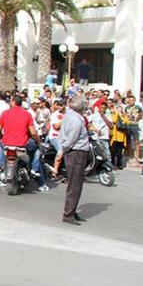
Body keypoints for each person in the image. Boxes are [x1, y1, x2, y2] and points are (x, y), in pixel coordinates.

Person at [0, 95, 48, 192]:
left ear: (12, 102)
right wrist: (39, 142)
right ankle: (34, 169)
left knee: (0, 145)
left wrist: (2, 137)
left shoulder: (5, 113)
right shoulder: (27, 114)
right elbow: (33, 133)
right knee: (37, 149)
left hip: (7, 144)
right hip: (22, 145)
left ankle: (1, 166)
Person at [59, 94, 90, 225]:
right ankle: (68, 213)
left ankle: (72, 209)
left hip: (74, 152)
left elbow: (63, 134)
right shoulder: (77, 120)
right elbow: (71, 138)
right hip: (76, 152)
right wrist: (65, 149)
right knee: (75, 184)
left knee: (75, 183)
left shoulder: (70, 115)